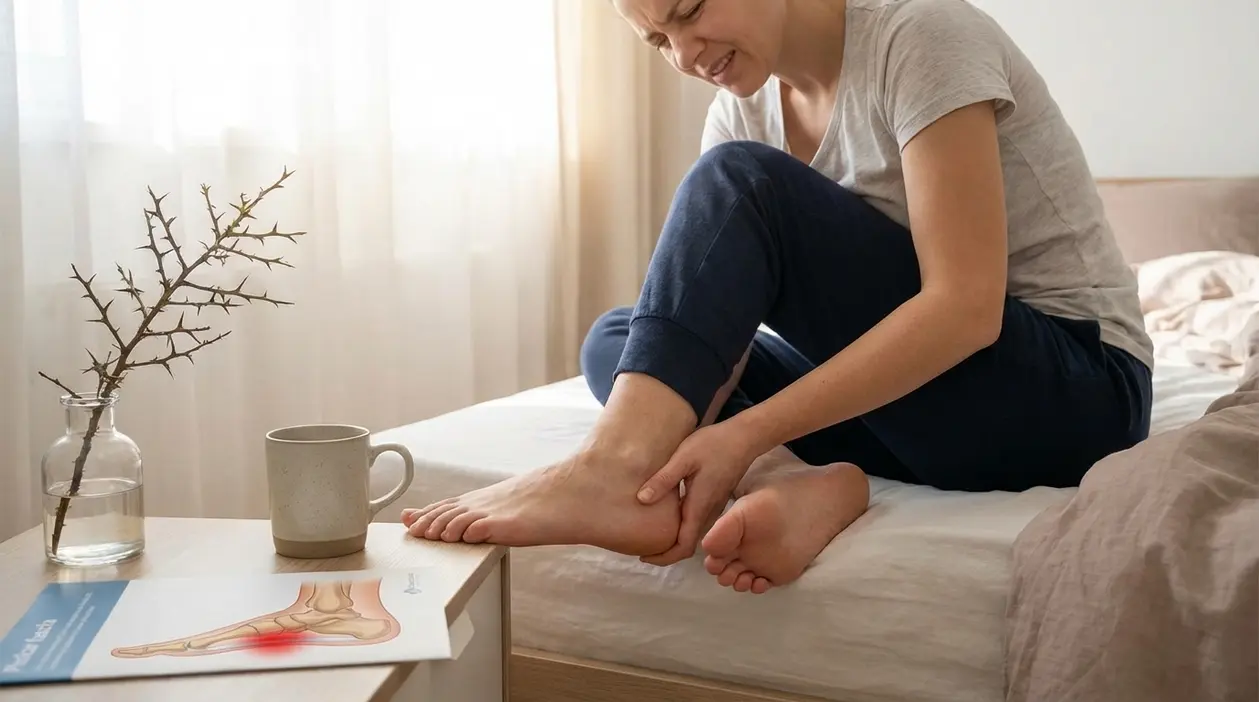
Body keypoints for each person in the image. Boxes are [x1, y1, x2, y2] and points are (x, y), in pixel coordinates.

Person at [402, 0, 1154, 595]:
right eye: (658, 43)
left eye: (690, 11)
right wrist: (727, 440)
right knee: (626, 339)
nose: (686, 58)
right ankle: (800, 483)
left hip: (1070, 396)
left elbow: (964, 308)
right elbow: (710, 323)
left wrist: (739, 434)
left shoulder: (922, 35)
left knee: (740, 184)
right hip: (910, 415)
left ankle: (609, 468)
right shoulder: (745, 106)